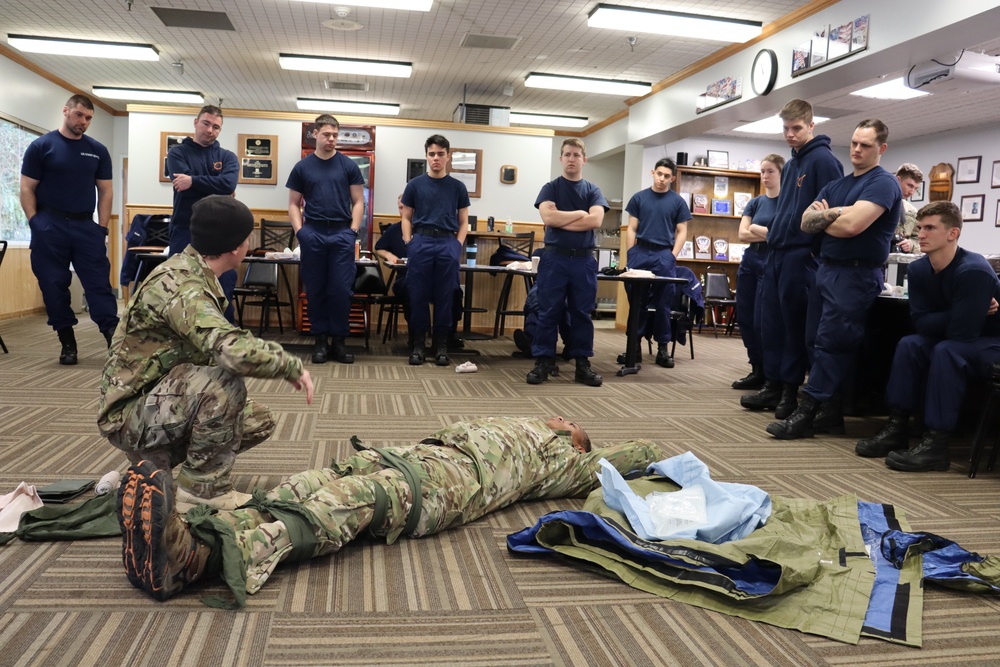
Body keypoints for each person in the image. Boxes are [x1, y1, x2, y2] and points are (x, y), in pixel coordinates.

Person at [115, 415, 660, 603]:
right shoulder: (520, 423)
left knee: (341, 506)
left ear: (576, 443)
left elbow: (629, 457)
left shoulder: (561, 461)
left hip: (449, 485)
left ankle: (199, 560)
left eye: (572, 426)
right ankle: (187, 529)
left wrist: (646, 455)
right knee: (307, 483)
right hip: (410, 455)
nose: (562, 419)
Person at [98, 196, 315, 511]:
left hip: (154, 398)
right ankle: (201, 491)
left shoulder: (191, 271)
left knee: (255, 420)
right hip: (129, 413)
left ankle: (152, 467)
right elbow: (230, 349)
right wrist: (289, 366)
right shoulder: (183, 285)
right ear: (236, 247)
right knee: (224, 384)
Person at [766, 118, 902, 439]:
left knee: (832, 342)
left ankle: (808, 410)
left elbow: (852, 226)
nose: (856, 149)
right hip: (826, 268)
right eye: (854, 142)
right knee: (814, 340)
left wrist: (826, 215)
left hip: (856, 273)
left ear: (881, 148)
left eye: (865, 145)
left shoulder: (883, 183)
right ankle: (830, 412)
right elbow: (804, 222)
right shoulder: (836, 185)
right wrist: (837, 214)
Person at [855, 201, 1000, 471]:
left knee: (948, 350)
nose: (920, 234)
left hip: (992, 342)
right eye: (920, 227)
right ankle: (897, 426)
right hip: (963, 336)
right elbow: (920, 323)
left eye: (930, 228)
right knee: (910, 344)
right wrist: (963, 310)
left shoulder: (975, 270)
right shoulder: (920, 269)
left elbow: (961, 333)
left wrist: (958, 316)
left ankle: (936, 444)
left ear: (952, 233)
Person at [741, 99, 843, 417]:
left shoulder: (824, 161)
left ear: (811, 126)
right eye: (786, 129)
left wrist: (812, 250)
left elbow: (827, 214)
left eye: (796, 128)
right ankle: (772, 384)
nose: (790, 134)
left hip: (801, 255)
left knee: (793, 328)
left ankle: (789, 391)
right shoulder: (794, 161)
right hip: (776, 253)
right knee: (769, 323)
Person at [19, 94, 119, 365]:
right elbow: (27, 188)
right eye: (79, 115)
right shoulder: (42, 146)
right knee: (53, 285)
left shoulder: (97, 150)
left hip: (86, 226)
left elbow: (106, 191)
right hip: (49, 225)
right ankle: (67, 341)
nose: (83, 122)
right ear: (66, 111)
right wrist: (35, 222)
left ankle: (113, 338)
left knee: (98, 284)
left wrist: (101, 228)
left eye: (88, 118)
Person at [287, 114, 366, 365]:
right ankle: (320, 341)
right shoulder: (303, 167)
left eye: (335, 135)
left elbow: (358, 202)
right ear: (315, 135)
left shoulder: (348, 166)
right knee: (316, 289)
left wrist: (352, 231)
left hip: (342, 234)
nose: (332, 139)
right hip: (314, 233)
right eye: (327, 135)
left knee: (341, 290)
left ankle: (339, 343)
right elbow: (293, 204)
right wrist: (301, 232)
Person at [528, 138, 607, 387]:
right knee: (548, 311)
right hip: (554, 258)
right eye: (567, 155)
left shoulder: (593, 191)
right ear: (560, 159)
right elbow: (549, 218)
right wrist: (579, 213)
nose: (571, 159)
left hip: (583, 260)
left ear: (584, 160)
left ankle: (582, 364)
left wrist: (563, 218)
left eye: (576, 155)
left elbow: (595, 222)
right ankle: (543, 361)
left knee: (581, 314)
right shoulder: (550, 188)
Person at [400, 134, 470, 367]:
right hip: (421, 242)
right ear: (427, 156)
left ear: (448, 156)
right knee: (418, 295)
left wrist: (457, 245)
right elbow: (406, 217)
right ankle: (419, 345)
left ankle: (441, 345)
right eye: (432, 154)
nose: (436, 158)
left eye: (441, 154)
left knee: (446, 296)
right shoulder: (415, 185)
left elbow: (463, 222)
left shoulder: (458, 187)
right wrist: (409, 242)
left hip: (447, 243)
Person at [166, 105, 240, 321]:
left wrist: (193, 181)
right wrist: (216, 185)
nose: (210, 130)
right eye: (206, 123)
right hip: (185, 229)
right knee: (181, 289)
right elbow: (185, 185)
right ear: (196, 122)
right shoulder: (178, 152)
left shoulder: (227, 156)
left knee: (222, 290)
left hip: (220, 232)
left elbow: (228, 184)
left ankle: (223, 345)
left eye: (216, 127)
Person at [621, 157, 691, 369]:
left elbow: (682, 231)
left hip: (663, 254)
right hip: (640, 252)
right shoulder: (639, 198)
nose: (662, 179)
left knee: (663, 303)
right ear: (653, 173)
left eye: (667, 176)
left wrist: (672, 255)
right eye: (659, 174)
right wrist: (631, 253)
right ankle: (634, 347)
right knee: (637, 302)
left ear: (672, 178)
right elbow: (632, 228)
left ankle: (662, 348)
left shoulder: (677, 202)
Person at [375, 195, 465, 350]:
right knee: (411, 289)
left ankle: (448, 334)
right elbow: (379, 247)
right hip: (406, 275)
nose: (402, 211)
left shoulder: (425, 231)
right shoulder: (394, 229)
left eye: (405, 208)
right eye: (400, 207)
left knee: (454, 289)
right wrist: (390, 256)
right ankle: (416, 335)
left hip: (435, 276)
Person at [731, 154, 784, 390]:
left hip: (772, 260)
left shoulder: (787, 202)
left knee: (763, 320)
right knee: (745, 317)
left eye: (770, 171)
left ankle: (771, 375)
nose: (765, 176)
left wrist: (756, 228)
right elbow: (742, 235)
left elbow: (781, 236)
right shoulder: (755, 202)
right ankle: (756, 369)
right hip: (751, 258)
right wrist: (765, 231)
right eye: (762, 171)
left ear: (781, 173)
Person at [892, 163, 923, 253]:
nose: (912, 192)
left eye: (915, 188)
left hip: (900, 261)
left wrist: (910, 244)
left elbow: (920, 240)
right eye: (910, 186)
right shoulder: (878, 204)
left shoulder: (912, 212)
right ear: (898, 180)